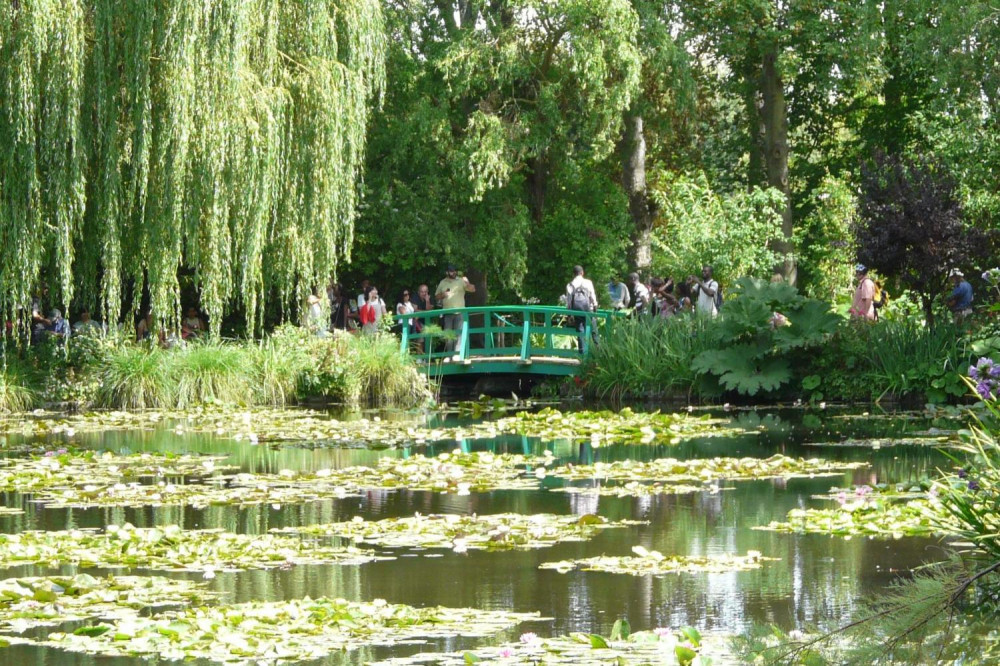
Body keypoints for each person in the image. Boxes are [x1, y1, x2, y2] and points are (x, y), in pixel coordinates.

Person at [435, 264, 475, 351]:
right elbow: (436, 296)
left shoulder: (461, 281)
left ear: (456, 272)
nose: (452, 273)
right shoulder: (443, 282)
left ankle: (457, 354)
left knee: (459, 334)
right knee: (448, 335)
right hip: (447, 313)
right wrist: (443, 295)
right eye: (450, 271)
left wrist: (467, 283)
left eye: (453, 271)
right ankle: (449, 354)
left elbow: (473, 289)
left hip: (459, 312)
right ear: (447, 272)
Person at [565, 265, 598, 352]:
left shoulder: (570, 285)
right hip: (588, 311)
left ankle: (582, 354)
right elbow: (593, 297)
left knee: (580, 332)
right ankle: (598, 354)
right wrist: (595, 308)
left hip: (577, 311)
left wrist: (569, 315)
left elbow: (568, 302)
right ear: (582, 273)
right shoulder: (588, 282)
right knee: (594, 331)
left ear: (573, 274)